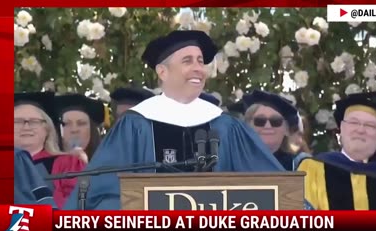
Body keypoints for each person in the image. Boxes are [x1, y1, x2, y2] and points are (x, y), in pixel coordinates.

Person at [63, 30, 285, 210]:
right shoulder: (135, 125)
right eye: (188, 61)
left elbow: (274, 185)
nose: (199, 68)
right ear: (162, 72)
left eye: (200, 61)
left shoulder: (225, 125)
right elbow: (103, 192)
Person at [298, 92, 376, 210]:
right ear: (341, 128)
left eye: (370, 125)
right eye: (353, 122)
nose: (360, 130)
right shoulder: (314, 168)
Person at [14, 91, 86, 209]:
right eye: (17, 121)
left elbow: (75, 205)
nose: (26, 127)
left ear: (47, 129)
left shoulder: (68, 163)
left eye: (34, 121)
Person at [243, 90, 310, 171]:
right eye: (260, 121)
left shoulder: (299, 165)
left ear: (286, 130)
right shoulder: (231, 162)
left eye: (276, 121)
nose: (267, 126)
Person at [55, 94, 105, 163]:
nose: (74, 130)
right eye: (66, 124)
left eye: (81, 123)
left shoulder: (108, 164)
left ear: (92, 130)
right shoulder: (44, 168)